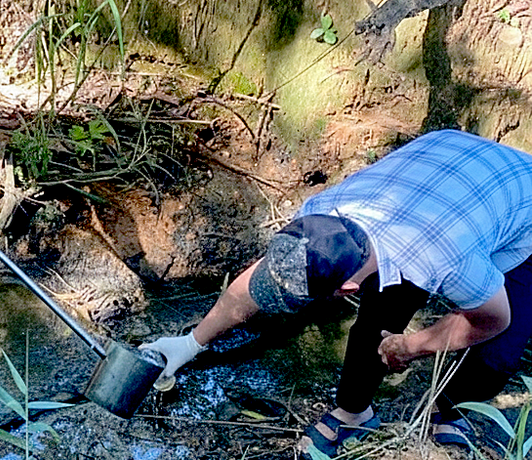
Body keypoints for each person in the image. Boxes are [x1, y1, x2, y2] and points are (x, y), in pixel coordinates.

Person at [142, 129, 532, 457]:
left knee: (501, 349)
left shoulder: (446, 260)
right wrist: (192, 343)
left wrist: (413, 346)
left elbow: (492, 319)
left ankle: (451, 412)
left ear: (346, 289)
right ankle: (354, 414)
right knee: (379, 320)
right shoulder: (322, 213)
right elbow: (260, 279)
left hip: (522, 207)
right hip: (447, 159)